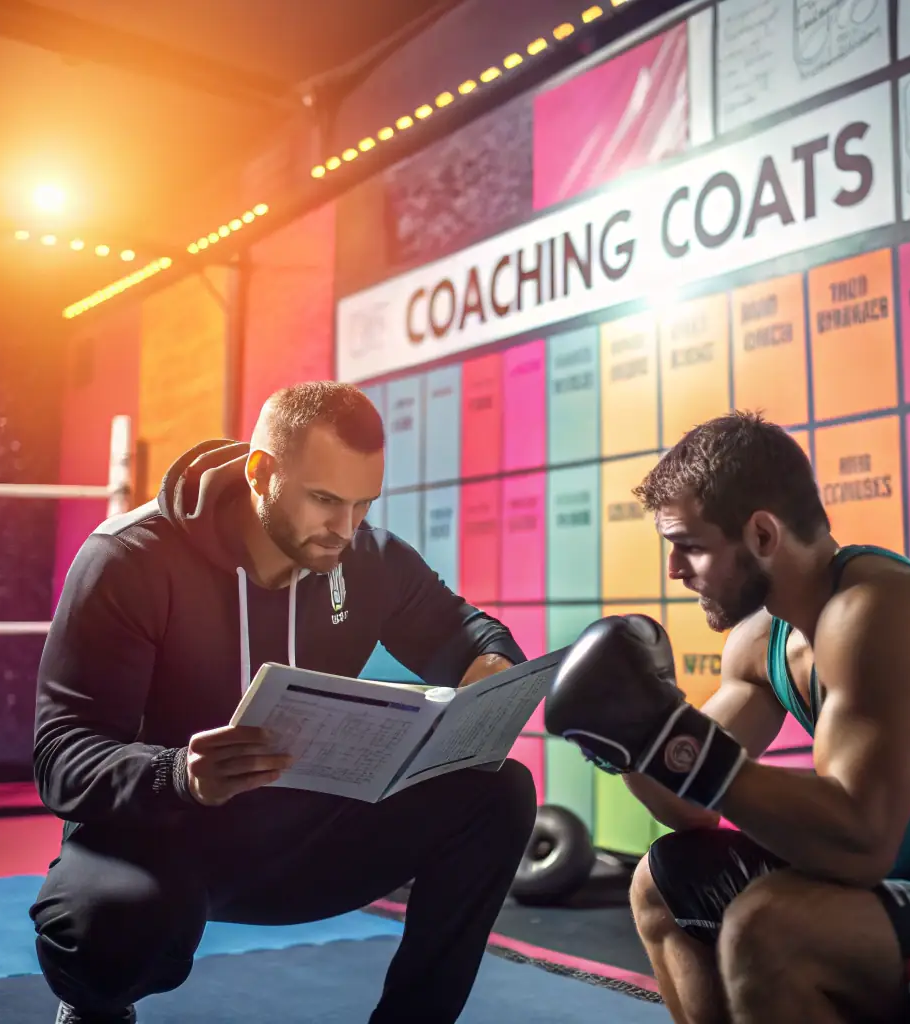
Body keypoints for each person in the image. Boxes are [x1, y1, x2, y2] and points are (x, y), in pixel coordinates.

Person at [544, 410, 910, 1024]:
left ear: (763, 536)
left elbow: (861, 842)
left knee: (772, 928)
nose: (674, 570)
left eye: (690, 546)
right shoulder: (760, 645)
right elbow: (688, 805)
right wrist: (632, 745)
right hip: (909, 898)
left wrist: (666, 737)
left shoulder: (876, 611)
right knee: (662, 882)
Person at [29, 381, 536, 1024]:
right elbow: (61, 757)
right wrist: (178, 773)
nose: (345, 529)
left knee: (498, 793)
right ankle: (96, 1009)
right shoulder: (129, 560)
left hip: (298, 836)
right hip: (159, 837)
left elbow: (468, 632)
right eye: (325, 500)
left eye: (362, 504)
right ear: (262, 472)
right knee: (108, 930)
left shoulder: (367, 557)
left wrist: (489, 668)